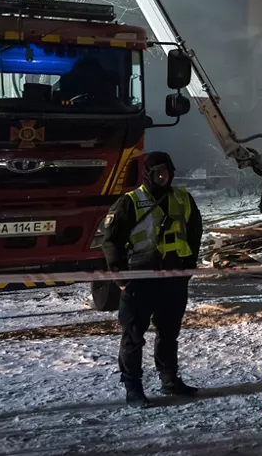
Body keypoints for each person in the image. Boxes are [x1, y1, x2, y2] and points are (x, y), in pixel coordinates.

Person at [101, 151, 203, 408]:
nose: (163, 176)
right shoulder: (130, 202)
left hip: (173, 279)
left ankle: (169, 379)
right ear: (147, 174)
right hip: (140, 279)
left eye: (167, 171)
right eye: (158, 172)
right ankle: (133, 386)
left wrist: (188, 267)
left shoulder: (183, 198)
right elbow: (110, 240)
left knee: (169, 333)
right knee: (134, 336)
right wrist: (120, 276)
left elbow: (194, 231)